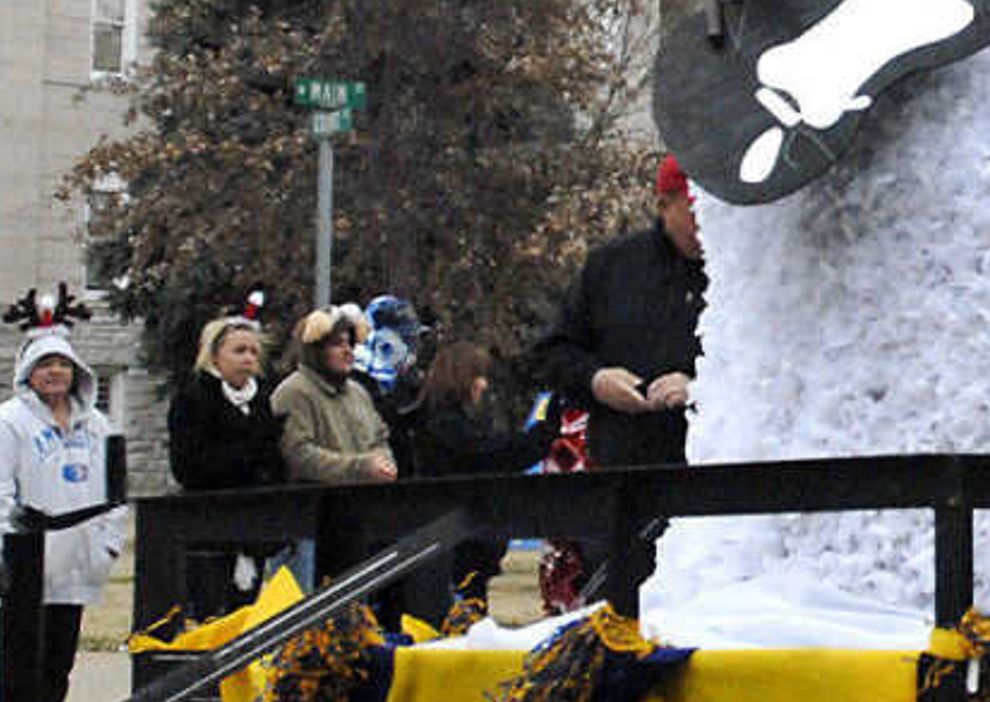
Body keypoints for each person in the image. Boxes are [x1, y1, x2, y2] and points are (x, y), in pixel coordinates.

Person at [0, 324, 123, 702]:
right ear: (27, 372)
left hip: (75, 571)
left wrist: (107, 546)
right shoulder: (5, 424)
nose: (54, 372)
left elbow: (114, 494)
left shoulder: (97, 425)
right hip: (24, 574)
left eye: (62, 363)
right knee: (21, 673)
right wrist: (13, 554)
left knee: (57, 670)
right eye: (44, 364)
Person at [530, 155, 708, 474]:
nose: (704, 226)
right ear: (663, 205)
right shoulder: (611, 266)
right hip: (623, 466)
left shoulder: (743, 271)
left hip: (713, 464)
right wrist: (595, 380)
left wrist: (700, 386)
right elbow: (551, 354)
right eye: (694, 212)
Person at [404, 341, 542, 612]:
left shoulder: (444, 422)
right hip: (456, 548)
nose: (484, 385)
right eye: (479, 377)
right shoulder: (445, 427)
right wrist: (539, 438)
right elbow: (490, 455)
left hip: (466, 547)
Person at [164, 311, 286, 604]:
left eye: (254, 352)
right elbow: (188, 465)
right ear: (215, 356)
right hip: (208, 526)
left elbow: (275, 458)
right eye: (239, 350)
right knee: (209, 609)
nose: (248, 358)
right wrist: (245, 458)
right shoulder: (192, 399)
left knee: (246, 610)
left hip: (254, 527)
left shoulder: (263, 401)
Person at [271, 303, 401, 486]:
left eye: (349, 343)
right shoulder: (293, 392)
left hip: (367, 500)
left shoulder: (359, 392)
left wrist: (384, 464)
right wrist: (360, 467)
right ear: (316, 350)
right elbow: (298, 455)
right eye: (337, 344)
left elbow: (379, 438)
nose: (348, 351)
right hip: (319, 505)